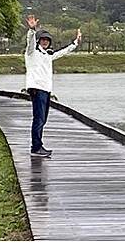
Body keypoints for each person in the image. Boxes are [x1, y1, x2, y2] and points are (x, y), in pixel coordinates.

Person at [25, 14, 82, 157]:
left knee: (42, 119)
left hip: (46, 90)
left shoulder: (47, 55)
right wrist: (32, 30)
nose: (45, 42)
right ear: (39, 41)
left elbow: (63, 52)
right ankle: (36, 147)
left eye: (47, 40)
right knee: (38, 119)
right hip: (37, 88)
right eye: (43, 40)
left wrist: (75, 43)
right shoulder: (32, 53)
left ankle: (38, 145)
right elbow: (30, 42)